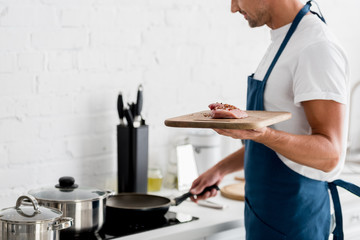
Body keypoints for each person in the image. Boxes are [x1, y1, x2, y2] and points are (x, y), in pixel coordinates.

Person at [189, 0, 360, 239]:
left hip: (296, 220)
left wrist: (263, 133)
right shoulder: (283, 41)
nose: (233, 8)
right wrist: (219, 170)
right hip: (265, 217)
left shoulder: (316, 47)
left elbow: (330, 155)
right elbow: (275, 140)